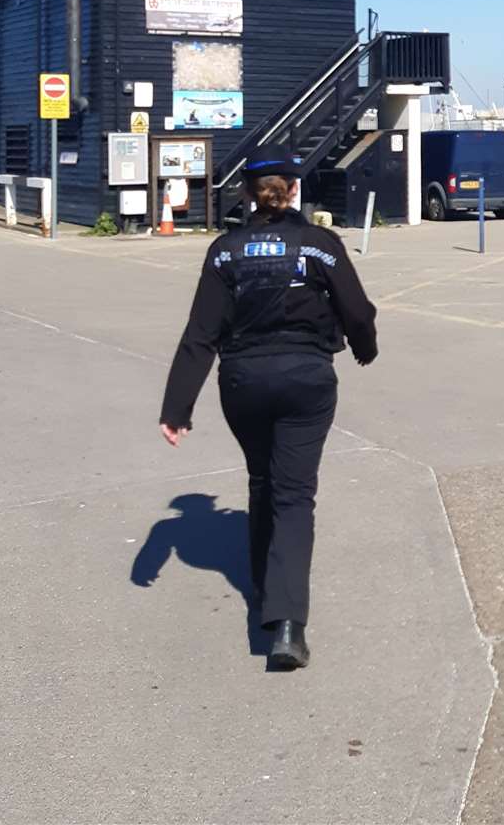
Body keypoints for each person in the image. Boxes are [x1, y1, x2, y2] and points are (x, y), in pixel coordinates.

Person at [158, 146, 378, 668]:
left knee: (262, 481)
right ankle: (286, 626)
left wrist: (177, 407)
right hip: (306, 380)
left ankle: (263, 588)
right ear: (294, 189)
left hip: (243, 383)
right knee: (294, 495)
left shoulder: (224, 251)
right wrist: (364, 348)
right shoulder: (319, 245)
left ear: (247, 194)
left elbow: (200, 335)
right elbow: (357, 310)